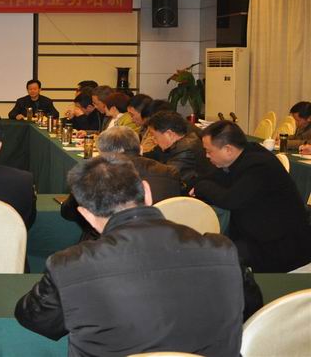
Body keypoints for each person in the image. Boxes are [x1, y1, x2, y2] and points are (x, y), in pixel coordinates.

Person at [16, 155, 259, 357]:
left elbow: (35, 318)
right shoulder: (222, 250)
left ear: (86, 215)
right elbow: (252, 307)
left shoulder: (71, 264)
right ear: (147, 192)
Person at [193, 121, 311, 272]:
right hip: (257, 235)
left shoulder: (259, 165)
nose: (207, 156)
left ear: (228, 149)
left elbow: (230, 200)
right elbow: (208, 179)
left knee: (211, 259)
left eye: (209, 151)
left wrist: (201, 187)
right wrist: (200, 185)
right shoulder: (241, 155)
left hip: (279, 245)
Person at [61, 127, 182, 239]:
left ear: (103, 154)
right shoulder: (170, 172)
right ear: (140, 148)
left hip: (109, 242)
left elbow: (68, 212)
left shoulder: (97, 175)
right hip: (164, 237)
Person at [144, 110, 214, 189]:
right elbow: (152, 155)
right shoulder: (171, 143)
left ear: (169, 134)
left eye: (154, 135)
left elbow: (167, 179)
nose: (153, 139)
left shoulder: (186, 150)